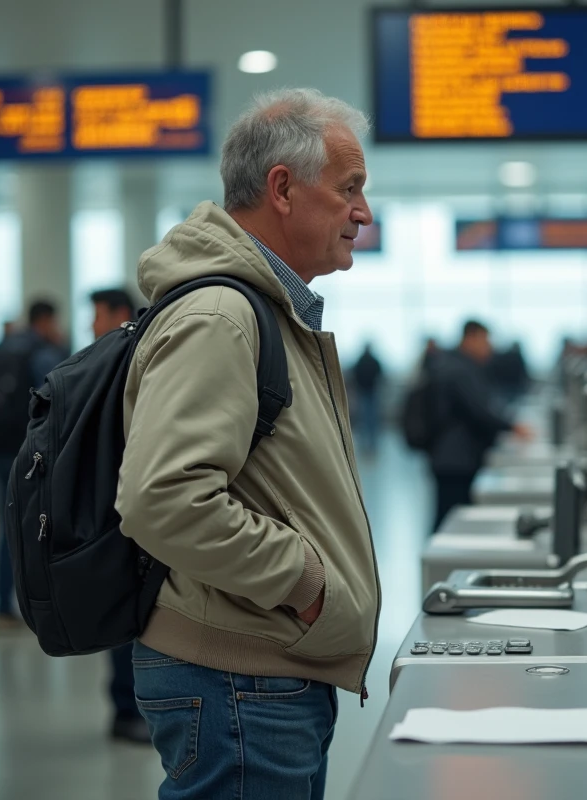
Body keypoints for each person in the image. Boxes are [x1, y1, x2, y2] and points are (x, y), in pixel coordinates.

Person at [115, 88, 380, 800]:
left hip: (261, 671)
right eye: (349, 189)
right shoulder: (222, 315)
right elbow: (161, 497)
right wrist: (306, 585)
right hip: (240, 678)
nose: (364, 213)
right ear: (283, 189)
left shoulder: (261, 309)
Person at [86, 287, 149, 745]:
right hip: (114, 510)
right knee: (124, 612)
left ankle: (131, 708)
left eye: (98, 314)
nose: (92, 324)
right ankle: (127, 710)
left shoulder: (126, 359)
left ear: (120, 314)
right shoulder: (113, 359)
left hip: (125, 505)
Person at [0, 300, 67, 631]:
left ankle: (4, 605)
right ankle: (38, 607)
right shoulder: (41, 352)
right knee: (34, 527)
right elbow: (57, 396)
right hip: (27, 452)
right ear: (45, 320)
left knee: (8, 526)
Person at [426, 321, 533, 531]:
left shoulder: (455, 364)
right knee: (450, 518)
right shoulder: (460, 369)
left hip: (450, 455)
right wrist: (513, 427)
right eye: (485, 341)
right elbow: (480, 410)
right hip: (455, 459)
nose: (489, 347)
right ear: (471, 338)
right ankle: (444, 560)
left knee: (448, 516)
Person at [350, 343, 384, 457]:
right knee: (371, 421)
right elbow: (380, 374)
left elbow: (354, 375)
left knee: (364, 420)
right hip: (371, 392)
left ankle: (365, 446)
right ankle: (372, 446)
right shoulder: (374, 360)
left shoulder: (360, 360)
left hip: (363, 392)